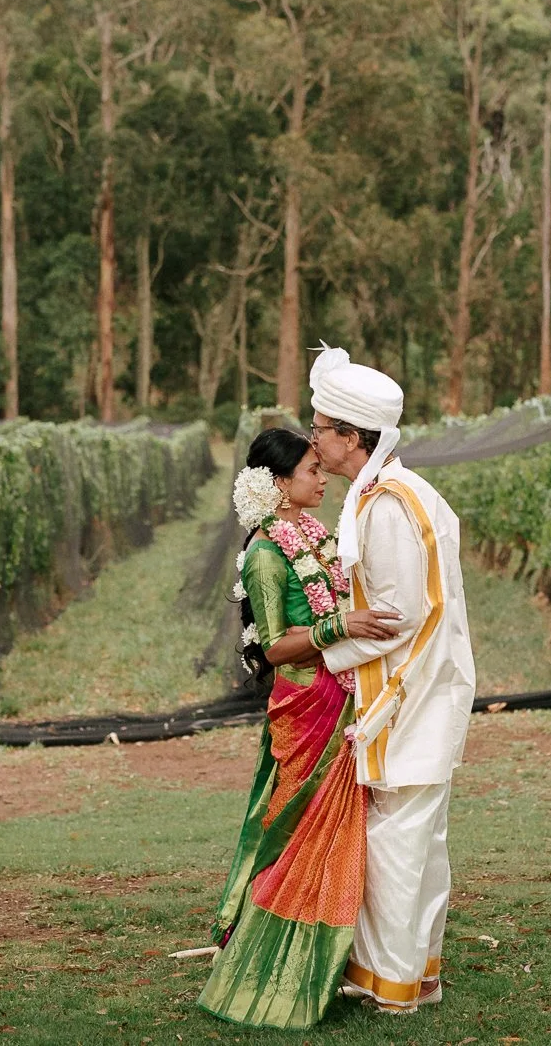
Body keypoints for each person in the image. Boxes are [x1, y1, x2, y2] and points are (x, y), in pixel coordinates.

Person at [198, 427, 405, 1029]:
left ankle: (329, 958)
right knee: (295, 832)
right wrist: (342, 627)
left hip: (337, 699)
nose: (322, 478)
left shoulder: (313, 536)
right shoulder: (266, 552)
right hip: (306, 706)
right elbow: (274, 648)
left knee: (332, 833)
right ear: (280, 485)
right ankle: (269, 971)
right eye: (313, 470)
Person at [308, 346, 478, 1014]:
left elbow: (397, 615)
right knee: (419, 839)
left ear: (352, 438)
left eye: (321, 426)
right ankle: (416, 976)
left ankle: (390, 986)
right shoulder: (405, 491)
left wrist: (327, 640)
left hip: (408, 698)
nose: (313, 437)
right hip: (429, 692)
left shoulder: (383, 506)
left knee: (397, 845)